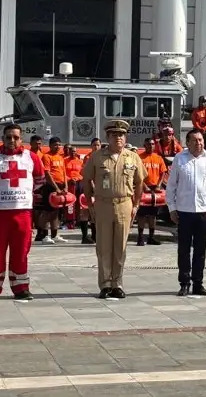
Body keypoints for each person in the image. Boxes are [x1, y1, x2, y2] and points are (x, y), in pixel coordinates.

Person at [0, 123, 45, 301]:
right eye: (8, 137)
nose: (12, 140)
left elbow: (39, 180)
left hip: (23, 213)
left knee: (21, 250)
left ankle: (21, 287)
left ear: (21, 139)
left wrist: (22, 194)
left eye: (15, 137)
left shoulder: (32, 158)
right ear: (2, 139)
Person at [82, 119, 146, 299]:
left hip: (124, 203)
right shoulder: (97, 156)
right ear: (107, 137)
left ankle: (117, 283)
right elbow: (86, 179)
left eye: (121, 135)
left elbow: (140, 181)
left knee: (120, 246)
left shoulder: (132, 157)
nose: (118, 138)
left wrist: (136, 204)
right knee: (103, 246)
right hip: (103, 204)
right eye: (114, 135)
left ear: (125, 137)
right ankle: (105, 284)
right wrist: (89, 203)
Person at [167, 130, 206, 296]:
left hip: (204, 212)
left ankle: (198, 283)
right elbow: (171, 186)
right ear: (188, 143)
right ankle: (184, 282)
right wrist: (171, 208)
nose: (199, 143)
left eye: (201, 140)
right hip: (184, 211)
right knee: (183, 250)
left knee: (200, 250)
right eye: (195, 140)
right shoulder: (180, 159)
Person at [37, 137, 67, 244]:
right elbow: (47, 173)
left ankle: (54, 235)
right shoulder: (46, 156)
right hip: (50, 187)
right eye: (55, 144)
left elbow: (64, 173)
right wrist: (56, 188)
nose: (58, 147)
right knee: (47, 212)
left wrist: (65, 186)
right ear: (50, 145)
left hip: (61, 186)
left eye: (59, 144)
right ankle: (44, 236)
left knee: (56, 212)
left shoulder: (60, 157)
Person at [137, 138, 166, 246]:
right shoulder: (140, 158)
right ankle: (140, 237)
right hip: (143, 188)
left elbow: (163, 172)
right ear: (144, 145)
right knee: (142, 215)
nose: (151, 146)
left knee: (153, 215)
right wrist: (144, 186)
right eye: (148, 144)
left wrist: (159, 185)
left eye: (153, 144)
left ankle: (151, 237)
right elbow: (137, 174)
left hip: (155, 188)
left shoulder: (158, 158)